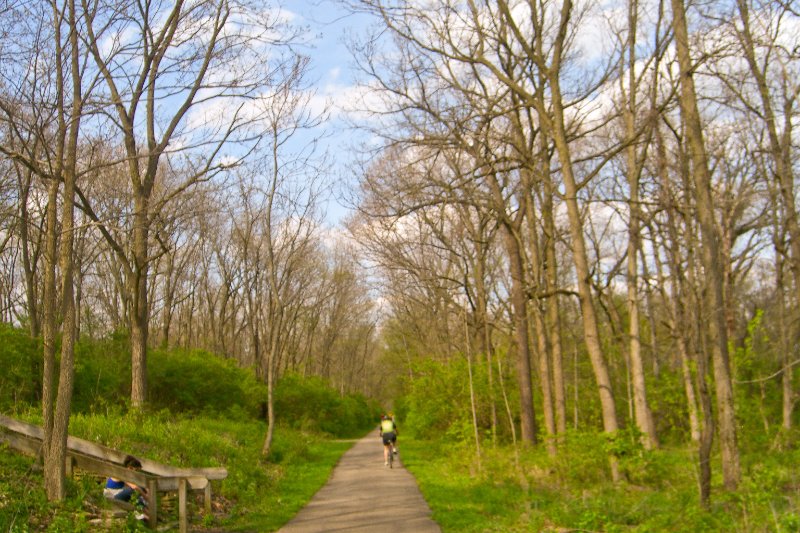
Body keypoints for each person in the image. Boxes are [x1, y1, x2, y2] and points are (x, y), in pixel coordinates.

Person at [104, 455, 148, 520]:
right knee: (132, 491)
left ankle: (143, 511)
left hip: (118, 493)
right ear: (130, 468)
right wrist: (146, 497)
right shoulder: (122, 473)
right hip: (112, 496)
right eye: (136, 471)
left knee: (139, 490)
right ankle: (142, 512)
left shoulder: (126, 474)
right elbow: (134, 487)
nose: (136, 473)